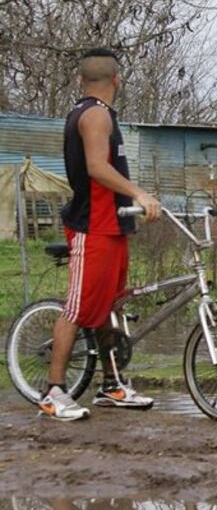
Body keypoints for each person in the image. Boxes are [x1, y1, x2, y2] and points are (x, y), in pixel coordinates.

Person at [41, 48, 162, 422]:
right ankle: (54, 392)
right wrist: (139, 192)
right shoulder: (94, 115)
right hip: (91, 226)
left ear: (82, 79)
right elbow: (96, 167)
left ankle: (112, 386)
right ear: (117, 80)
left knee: (110, 306)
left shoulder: (100, 114)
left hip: (113, 224)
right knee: (78, 308)